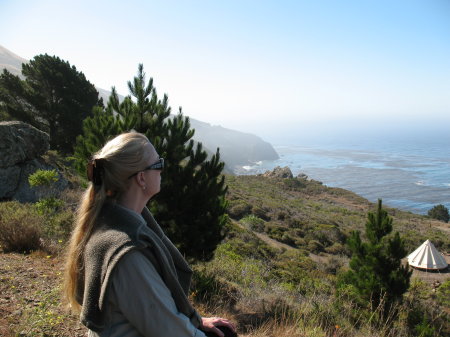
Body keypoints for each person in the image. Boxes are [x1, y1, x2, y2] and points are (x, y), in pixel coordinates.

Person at [64, 132, 236, 337]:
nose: (162, 169)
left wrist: (196, 321)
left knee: (220, 331)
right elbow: (170, 332)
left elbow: (159, 313)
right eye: (158, 164)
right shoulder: (128, 252)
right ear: (142, 178)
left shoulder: (107, 221)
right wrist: (193, 327)